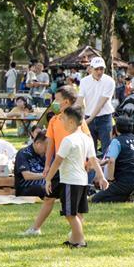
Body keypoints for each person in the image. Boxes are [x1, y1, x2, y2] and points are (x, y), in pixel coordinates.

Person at [22, 85, 91, 237]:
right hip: (58, 165)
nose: (54, 102)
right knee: (49, 197)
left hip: (74, 167)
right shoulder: (53, 120)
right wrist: (47, 166)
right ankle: (35, 228)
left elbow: (87, 141)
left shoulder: (78, 120)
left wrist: (87, 163)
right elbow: (50, 145)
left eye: (57, 100)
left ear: (66, 102)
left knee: (77, 204)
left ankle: (76, 233)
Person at [44, 106, 108, 247]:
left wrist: (48, 178)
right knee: (78, 212)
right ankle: (74, 239)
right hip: (82, 181)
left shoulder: (68, 140)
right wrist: (101, 176)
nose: (62, 123)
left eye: (64, 120)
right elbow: (93, 160)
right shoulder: (87, 139)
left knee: (70, 214)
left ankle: (79, 241)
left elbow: (57, 161)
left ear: (72, 122)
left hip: (70, 181)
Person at [93, 116, 134, 202]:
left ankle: (127, 196)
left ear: (117, 128)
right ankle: (131, 194)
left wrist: (110, 180)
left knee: (96, 199)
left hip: (124, 182)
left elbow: (111, 161)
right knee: (114, 193)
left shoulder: (117, 141)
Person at [79, 57, 116, 157]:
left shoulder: (110, 81)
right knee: (90, 150)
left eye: (101, 69)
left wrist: (90, 118)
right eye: (96, 69)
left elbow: (102, 102)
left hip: (104, 118)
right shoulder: (84, 81)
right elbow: (80, 101)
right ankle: (92, 172)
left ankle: (107, 172)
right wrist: (79, 117)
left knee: (107, 149)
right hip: (87, 117)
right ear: (91, 68)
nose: (99, 71)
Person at [14, 131, 48, 197]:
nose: (48, 149)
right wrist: (46, 175)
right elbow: (27, 176)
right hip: (26, 188)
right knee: (41, 188)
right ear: (38, 143)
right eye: (47, 147)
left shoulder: (44, 155)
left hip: (43, 184)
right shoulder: (23, 153)